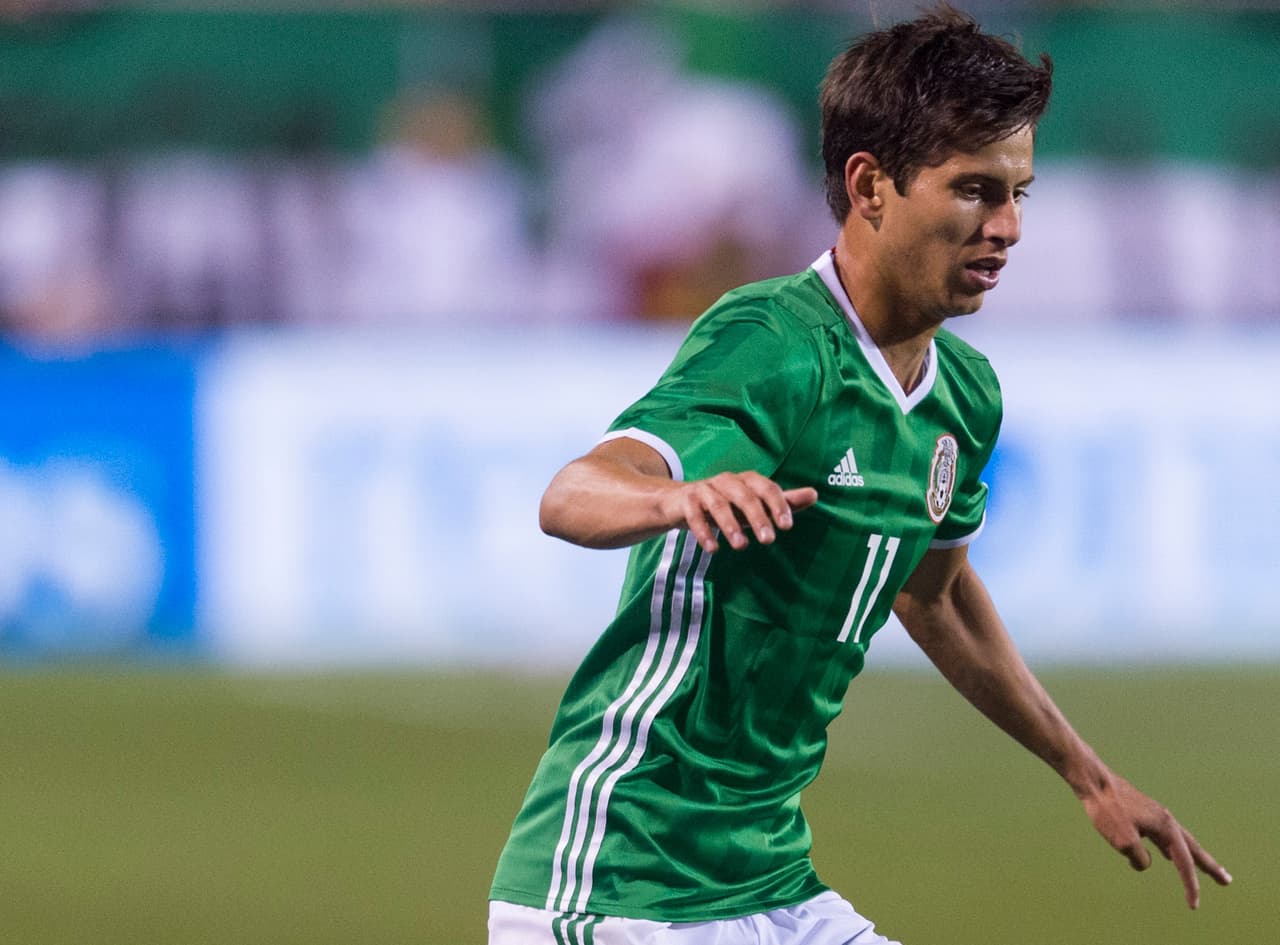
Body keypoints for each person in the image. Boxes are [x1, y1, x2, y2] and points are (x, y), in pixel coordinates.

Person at [488, 7, 1232, 943]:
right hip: (620, 885)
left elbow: (938, 595)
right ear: (871, 185)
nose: (1004, 227)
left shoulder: (963, 393)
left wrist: (1087, 771)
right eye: (972, 190)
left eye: (1019, 195)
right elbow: (572, 493)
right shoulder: (772, 342)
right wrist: (677, 495)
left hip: (769, 879)